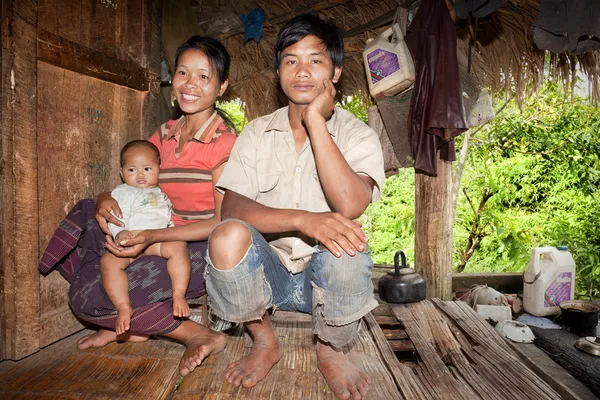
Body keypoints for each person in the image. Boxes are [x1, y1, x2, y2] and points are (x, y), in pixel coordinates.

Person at [205, 14, 385, 400]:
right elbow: (232, 207)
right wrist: (304, 220)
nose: (302, 71)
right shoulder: (256, 132)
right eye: (290, 61)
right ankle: (264, 339)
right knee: (226, 236)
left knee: (348, 246)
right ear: (278, 72)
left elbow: (351, 204)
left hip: (323, 278)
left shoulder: (357, 134)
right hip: (266, 275)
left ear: (336, 72)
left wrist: (316, 122)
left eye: (315, 60)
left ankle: (330, 350)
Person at [39, 35, 236, 377]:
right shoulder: (163, 134)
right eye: (183, 73)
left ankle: (194, 333)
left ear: (221, 87)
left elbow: (223, 222)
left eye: (204, 77)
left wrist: (151, 236)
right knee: (87, 210)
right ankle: (128, 320)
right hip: (149, 234)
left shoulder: (226, 144)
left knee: (90, 297)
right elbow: (135, 182)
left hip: (194, 249)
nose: (190, 84)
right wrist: (105, 201)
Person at [101, 140, 192, 335]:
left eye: (147, 168)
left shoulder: (160, 193)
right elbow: (114, 215)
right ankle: (123, 306)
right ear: (121, 171)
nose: (140, 175)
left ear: (159, 169)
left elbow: (166, 217)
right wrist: (119, 233)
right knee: (109, 262)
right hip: (131, 240)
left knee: (178, 246)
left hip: (156, 241)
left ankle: (179, 294)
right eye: (132, 170)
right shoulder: (123, 192)